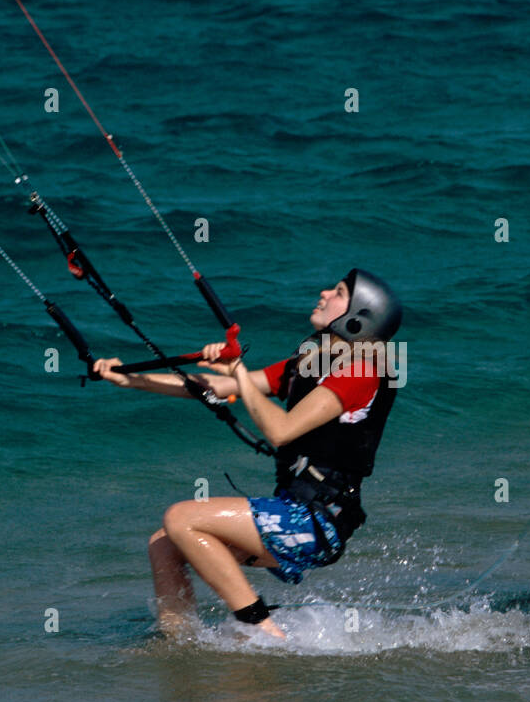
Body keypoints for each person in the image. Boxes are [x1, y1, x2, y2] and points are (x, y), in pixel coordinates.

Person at [93, 269, 402, 639]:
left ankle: (263, 630)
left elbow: (281, 429)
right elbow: (216, 386)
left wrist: (238, 371)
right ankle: (180, 643)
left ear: (359, 317)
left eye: (337, 292)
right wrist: (126, 377)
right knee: (165, 543)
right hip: (293, 513)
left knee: (181, 517)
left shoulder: (362, 371)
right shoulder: (308, 365)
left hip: (316, 522)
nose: (323, 293)